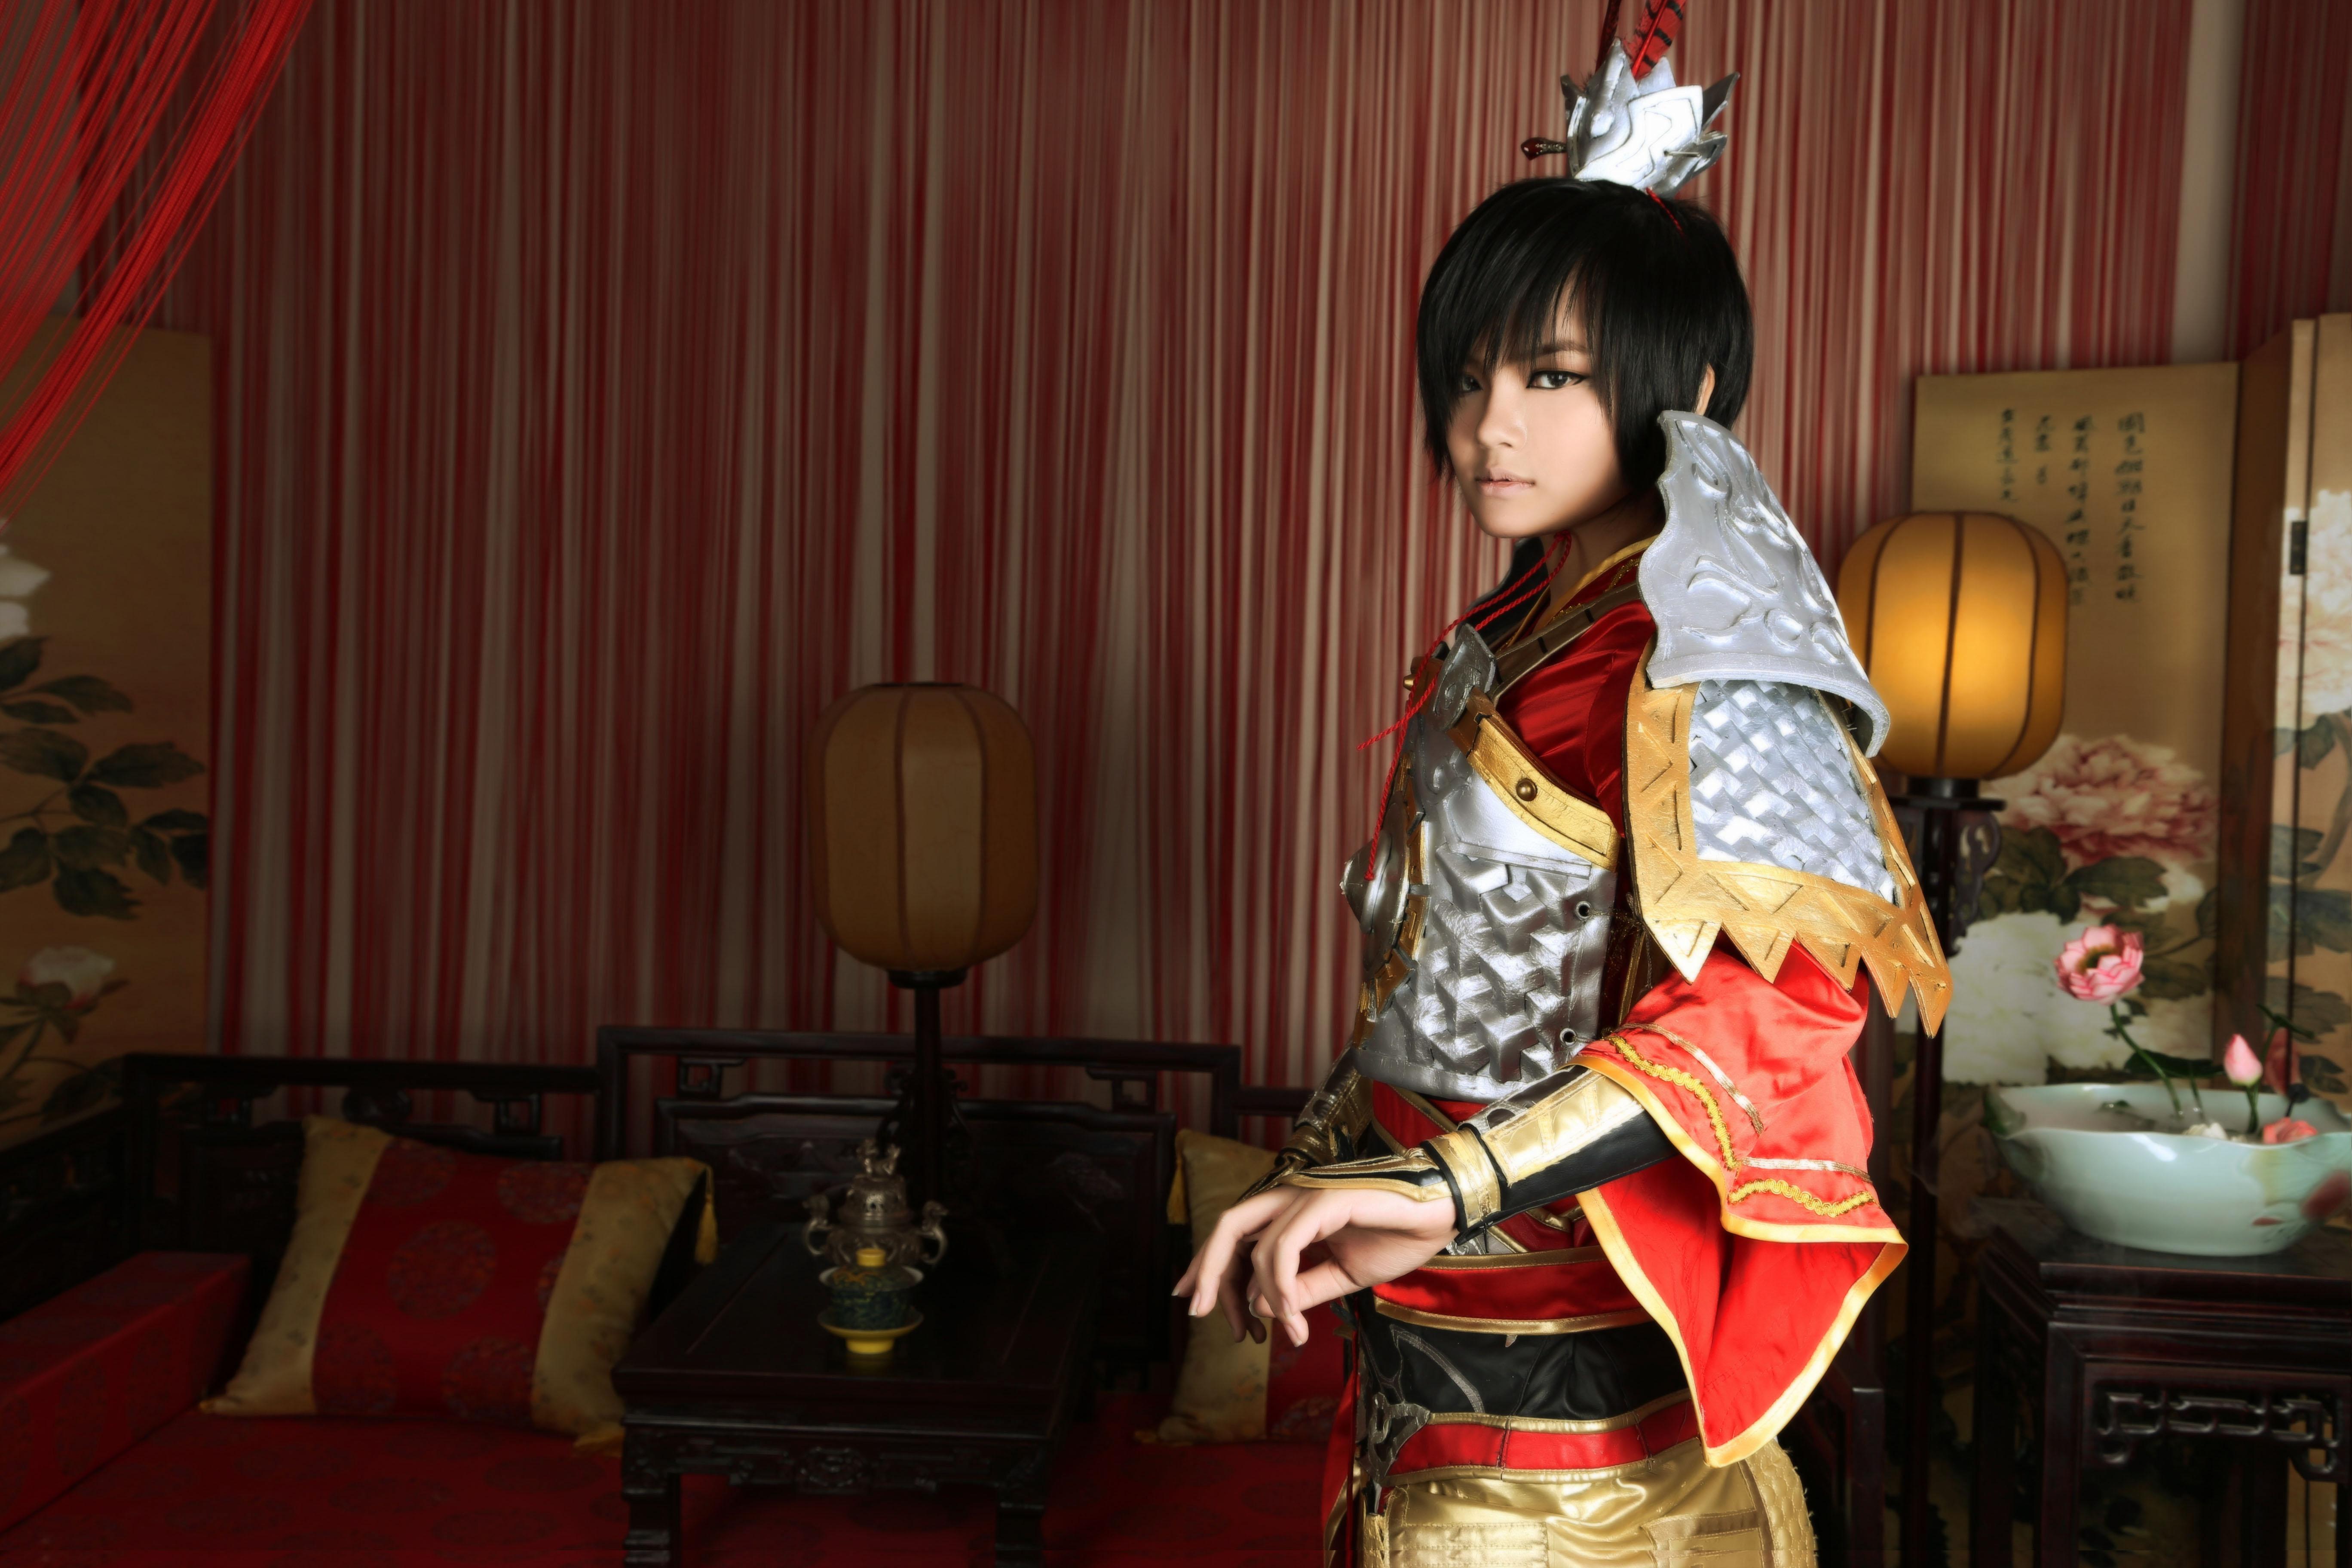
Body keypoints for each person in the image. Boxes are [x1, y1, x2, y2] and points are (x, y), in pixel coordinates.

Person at [1173, 22, 1951, 1566]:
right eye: (1471, 377)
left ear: (1688, 387)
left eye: (1553, 376)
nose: (1489, 426)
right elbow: (1431, 986)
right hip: (1424, 1330)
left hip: (1573, 1418)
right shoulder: (1513, 636)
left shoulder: (1703, 661)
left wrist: (1449, 1179)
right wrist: (1327, 1167)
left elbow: (1765, 1019)